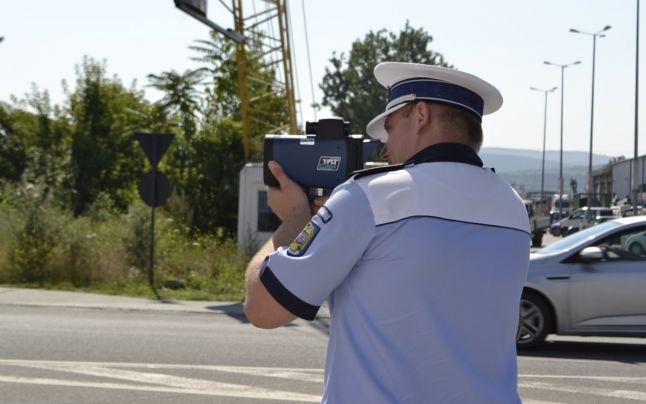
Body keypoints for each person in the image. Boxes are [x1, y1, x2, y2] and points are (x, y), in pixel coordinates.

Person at [244, 62, 531, 403]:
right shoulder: (513, 208)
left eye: (391, 128)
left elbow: (263, 308)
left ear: (420, 115)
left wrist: (294, 217)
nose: (385, 149)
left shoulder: (372, 198)